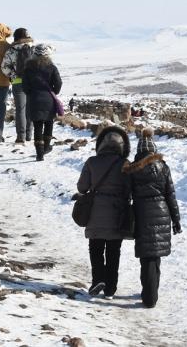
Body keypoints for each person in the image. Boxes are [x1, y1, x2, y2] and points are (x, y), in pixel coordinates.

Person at [123, 128, 181, 308]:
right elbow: (170, 195)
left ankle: (149, 295)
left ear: (139, 151)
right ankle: (151, 293)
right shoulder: (163, 166)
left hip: (141, 214)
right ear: (153, 150)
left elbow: (127, 195)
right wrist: (176, 220)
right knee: (156, 256)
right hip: (162, 213)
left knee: (146, 257)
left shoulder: (132, 169)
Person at [76, 126, 130, 299]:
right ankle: (110, 289)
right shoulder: (124, 164)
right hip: (117, 212)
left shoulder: (92, 162)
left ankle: (98, 279)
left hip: (95, 211)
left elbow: (82, 187)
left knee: (96, 248)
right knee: (114, 251)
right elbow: (130, 188)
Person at [22, 43, 62, 160]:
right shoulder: (52, 67)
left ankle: (39, 154)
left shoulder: (28, 68)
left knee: (37, 126)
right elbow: (58, 84)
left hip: (34, 100)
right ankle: (46, 148)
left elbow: (25, 86)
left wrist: (31, 93)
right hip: (49, 100)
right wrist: (54, 92)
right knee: (49, 123)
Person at [1, 28, 35, 144]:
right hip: (32, 82)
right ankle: (29, 134)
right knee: (30, 108)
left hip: (17, 82)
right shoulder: (33, 49)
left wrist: (13, 75)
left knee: (20, 109)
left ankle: (21, 136)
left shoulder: (11, 50)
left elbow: (4, 67)